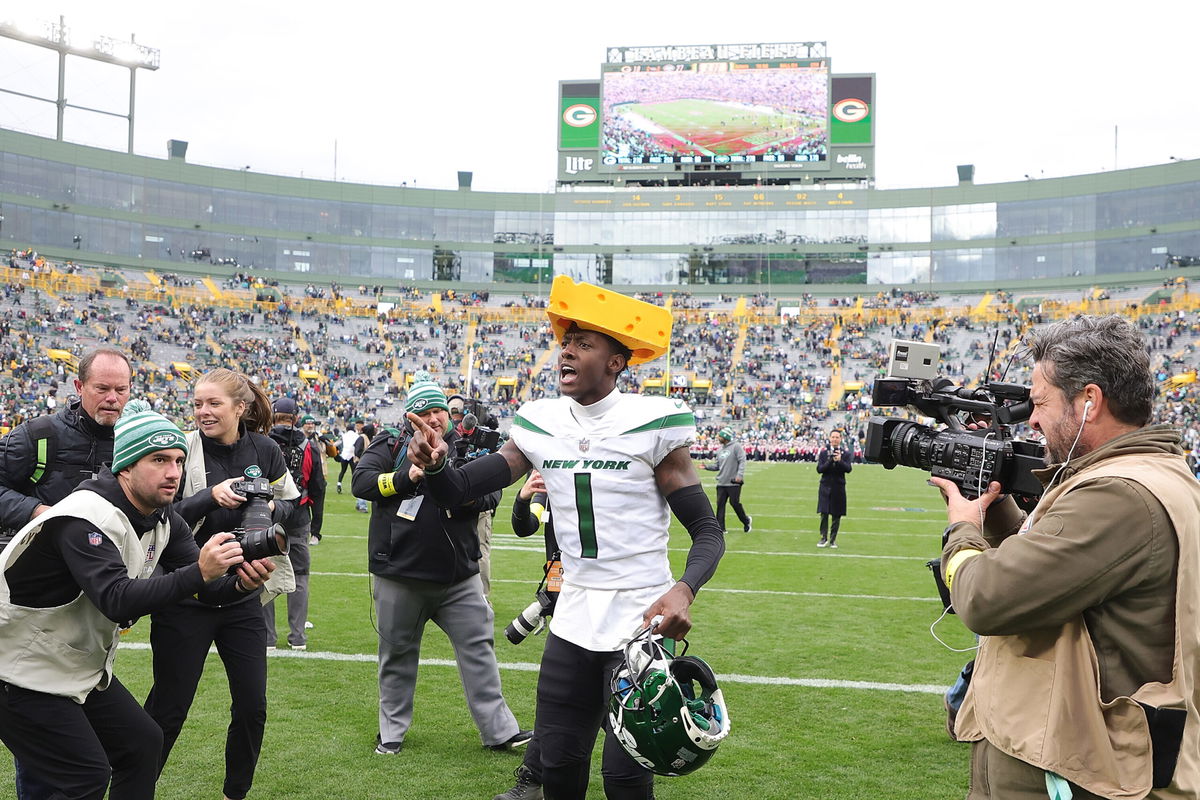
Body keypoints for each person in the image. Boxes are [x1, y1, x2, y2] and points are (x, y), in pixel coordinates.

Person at [407, 276, 726, 800]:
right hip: (573, 618)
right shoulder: (540, 421)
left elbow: (708, 533)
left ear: (616, 361)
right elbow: (462, 489)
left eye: (584, 343)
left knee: (627, 778)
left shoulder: (651, 422)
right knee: (557, 766)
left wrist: (683, 590)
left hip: (640, 622)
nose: (567, 352)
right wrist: (438, 465)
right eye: (566, 341)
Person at [932, 315, 1200, 799]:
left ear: (1090, 402)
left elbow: (985, 600)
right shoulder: (1143, 475)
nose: (1031, 420)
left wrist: (962, 529)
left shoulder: (1118, 496)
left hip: (1075, 766)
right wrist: (992, 512)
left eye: (1039, 402)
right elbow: (1062, 568)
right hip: (1073, 752)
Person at [0, 400, 274, 800]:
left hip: (69, 662)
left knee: (143, 742)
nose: (173, 473)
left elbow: (205, 590)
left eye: (179, 461)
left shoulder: (162, 517)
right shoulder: (84, 516)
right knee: (83, 776)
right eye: (159, 460)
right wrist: (200, 570)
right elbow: (118, 600)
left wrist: (241, 585)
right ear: (125, 465)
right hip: (16, 669)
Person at [352, 372, 530, 756]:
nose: (434, 418)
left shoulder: (467, 448)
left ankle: (499, 731)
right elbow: (362, 483)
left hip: (458, 577)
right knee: (396, 656)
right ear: (409, 418)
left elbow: (492, 494)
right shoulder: (390, 443)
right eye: (424, 412)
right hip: (400, 575)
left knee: (479, 651)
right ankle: (391, 733)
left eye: (439, 410)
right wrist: (407, 475)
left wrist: (454, 486)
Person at [143, 368, 299, 800]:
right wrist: (210, 496)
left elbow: (293, 508)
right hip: (185, 594)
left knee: (252, 708)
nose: (203, 412)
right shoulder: (179, 447)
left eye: (213, 403)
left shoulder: (266, 450)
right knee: (168, 710)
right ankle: (136, 789)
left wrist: (267, 511)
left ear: (239, 408)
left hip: (243, 593)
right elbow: (158, 516)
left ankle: (235, 794)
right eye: (197, 403)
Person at [0, 345, 132, 800]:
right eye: (102, 388)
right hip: (32, 603)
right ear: (79, 388)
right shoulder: (38, 435)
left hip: (91, 603)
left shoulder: (131, 443)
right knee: (43, 754)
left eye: (121, 389)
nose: (112, 398)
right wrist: (37, 510)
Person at [495, 468, 557, 800]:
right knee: (555, 695)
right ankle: (533, 779)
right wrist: (522, 498)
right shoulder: (552, 479)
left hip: (612, 595)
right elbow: (527, 526)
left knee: (605, 696)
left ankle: (634, 765)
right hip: (564, 582)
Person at [265, 397, 324, 650]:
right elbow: (318, 486)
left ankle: (267, 638)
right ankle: (297, 636)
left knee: (264, 573)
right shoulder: (308, 445)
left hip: (267, 514)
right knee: (300, 576)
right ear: (296, 417)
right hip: (299, 516)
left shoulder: (262, 442)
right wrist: (317, 526)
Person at [705, 427, 751, 533]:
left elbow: (742, 461)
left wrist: (739, 475)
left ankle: (746, 521)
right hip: (721, 482)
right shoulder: (719, 450)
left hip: (734, 482)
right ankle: (721, 529)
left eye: (720, 436)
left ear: (725, 437)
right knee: (720, 505)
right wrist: (706, 467)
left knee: (734, 503)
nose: (718, 438)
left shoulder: (736, 447)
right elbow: (717, 466)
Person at [301, 413, 338, 544]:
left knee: (317, 509)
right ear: (302, 424)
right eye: (308, 423)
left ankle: (315, 534)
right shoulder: (298, 439)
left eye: (312, 423)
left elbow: (334, 454)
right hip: (302, 478)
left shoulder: (320, 439)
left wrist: (329, 443)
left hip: (318, 478)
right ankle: (303, 532)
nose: (310, 426)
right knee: (301, 508)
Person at [815, 429, 852, 548]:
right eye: (833, 437)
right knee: (824, 513)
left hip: (838, 487)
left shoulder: (845, 453)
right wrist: (831, 460)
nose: (835, 439)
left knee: (837, 515)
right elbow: (820, 469)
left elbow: (848, 469)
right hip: (825, 486)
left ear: (840, 439)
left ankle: (833, 540)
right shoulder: (824, 453)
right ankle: (823, 537)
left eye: (837, 437)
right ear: (830, 438)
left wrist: (840, 461)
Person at [336, 419, 364, 493]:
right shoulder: (357, 436)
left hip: (344, 455)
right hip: (352, 455)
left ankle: (339, 484)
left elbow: (338, 442)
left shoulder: (344, 435)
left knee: (342, 471)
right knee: (353, 472)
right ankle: (354, 487)